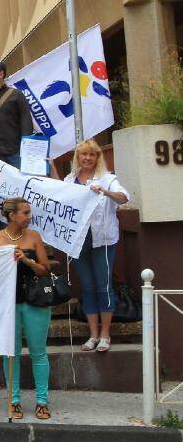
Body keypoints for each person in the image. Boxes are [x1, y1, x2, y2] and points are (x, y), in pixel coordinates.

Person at [0, 197, 52, 421]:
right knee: (11, 353)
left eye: (29, 212)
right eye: (25, 213)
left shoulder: (34, 237)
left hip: (34, 302)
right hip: (7, 305)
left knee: (38, 352)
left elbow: (45, 269)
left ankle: (42, 401)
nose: (29, 217)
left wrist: (26, 260)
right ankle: (13, 400)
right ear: (12, 215)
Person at [61, 140, 129, 353]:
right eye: (84, 155)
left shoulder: (108, 179)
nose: (88, 158)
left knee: (104, 286)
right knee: (88, 287)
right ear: (78, 157)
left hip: (104, 240)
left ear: (98, 157)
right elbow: (59, 199)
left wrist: (105, 192)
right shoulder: (70, 180)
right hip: (79, 242)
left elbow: (124, 197)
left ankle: (105, 334)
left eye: (92, 155)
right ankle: (92, 335)